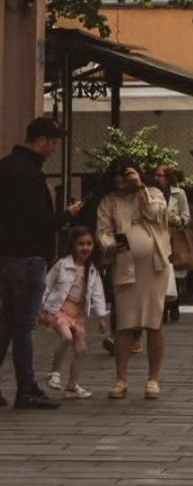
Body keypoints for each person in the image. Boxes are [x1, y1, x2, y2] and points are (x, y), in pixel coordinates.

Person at [0, 116, 82, 409]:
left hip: (5, 256)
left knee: (6, 324)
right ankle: (27, 388)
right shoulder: (32, 176)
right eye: (54, 143)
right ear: (43, 142)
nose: (54, 148)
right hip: (29, 257)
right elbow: (40, 222)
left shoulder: (4, 167)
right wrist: (68, 215)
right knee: (23, 327)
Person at [96, 157, 171, 400]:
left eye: (127, 174)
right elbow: (103, 231)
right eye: (119, 176)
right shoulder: (109, 201)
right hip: (125, 265)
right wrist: (109, 246)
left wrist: (140, 189)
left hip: (154, 266)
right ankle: (121, 379)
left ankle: (153, 379)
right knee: (125, 323)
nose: (123, 181)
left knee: (154, 321)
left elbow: (157, 215)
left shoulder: (153, 193)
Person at [40, 226, 108, 399]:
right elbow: (46, 286)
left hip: (77, 315)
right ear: (73, 245)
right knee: (66, 337)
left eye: (89, 244)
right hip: (58, 311)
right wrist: (41, 309)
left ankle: (72, 385)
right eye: (80, 244)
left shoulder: (92, 269)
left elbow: (98, 293)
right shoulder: (62, 264)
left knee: (81, 349)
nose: (85, 248)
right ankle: (54, 373)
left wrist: (101, 316)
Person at [153, 165, 190, 323]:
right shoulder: (152, 194)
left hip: (173, 237)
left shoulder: (179, 193)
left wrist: (176, 220)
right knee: (161, 272)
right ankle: (162, 308)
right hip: (157, 238)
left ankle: (173, 304)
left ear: (167, 177)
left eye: (159, 175)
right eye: (155, 175)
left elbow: (186, 217)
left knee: (175, 273)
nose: (156, 178)